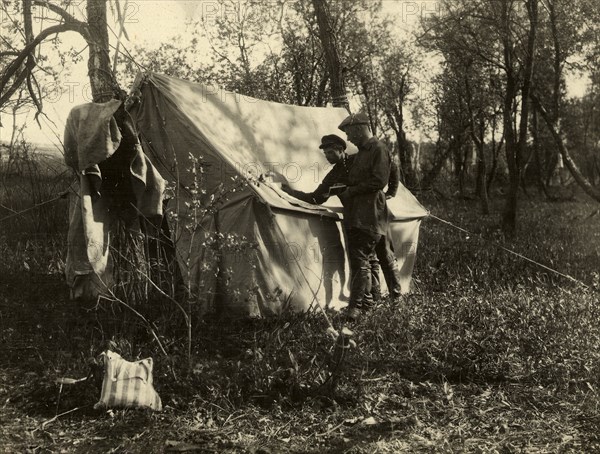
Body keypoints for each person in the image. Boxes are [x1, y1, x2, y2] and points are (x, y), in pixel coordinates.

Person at [337, 112, 402, 320]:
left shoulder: (378, 149)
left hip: (369, 214)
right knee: (383, 254)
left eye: (349, 133)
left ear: (359, 129)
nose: (348, 138)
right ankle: (394, 299)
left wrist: (351, 192)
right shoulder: (363, 152)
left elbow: (378, 181)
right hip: (368, 212)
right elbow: (393, 170)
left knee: (360, 260)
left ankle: (355, 309)